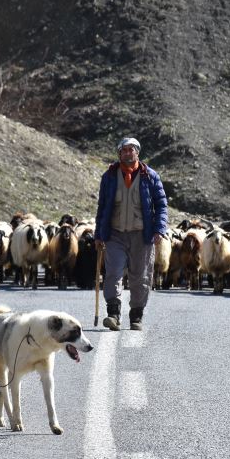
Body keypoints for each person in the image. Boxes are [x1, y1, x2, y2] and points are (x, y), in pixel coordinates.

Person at [94, 137, 168, 331]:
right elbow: (102, 207)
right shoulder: (109, 176)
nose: (128, 153)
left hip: (141, 234)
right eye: (124, 150)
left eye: (131, 150)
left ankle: (136, 316)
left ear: (138, 152)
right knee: (113, 274)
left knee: (141, 276)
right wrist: (99, 233)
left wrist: (159, 229)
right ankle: (113, 314)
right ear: (119, 154)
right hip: (115, 234)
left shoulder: (150, 176)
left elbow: (161, 205)